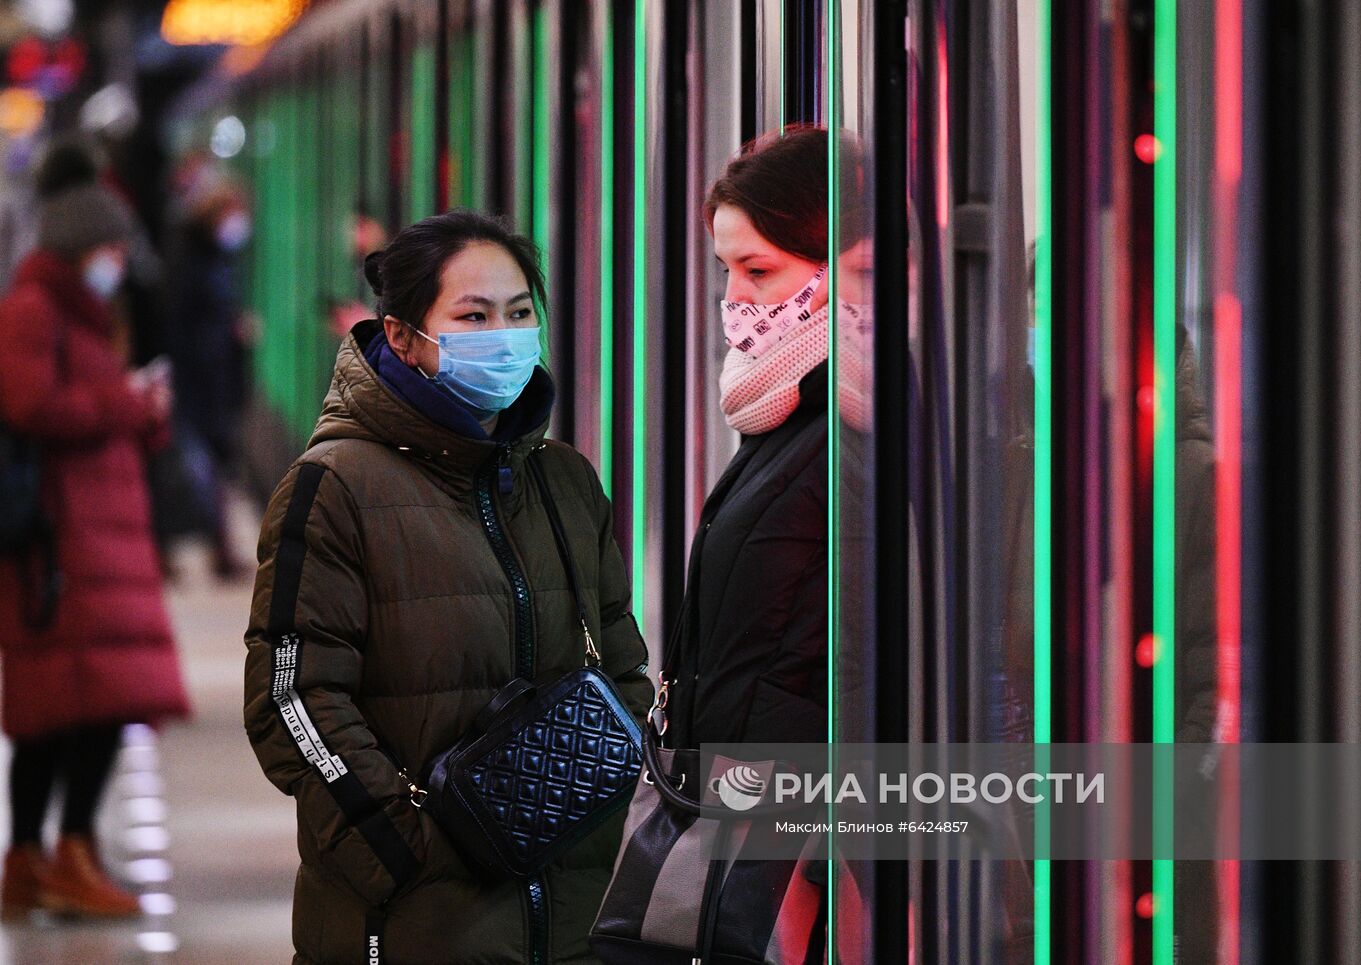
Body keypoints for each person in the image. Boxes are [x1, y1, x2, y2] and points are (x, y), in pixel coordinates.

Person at [243, 210, 651, 963]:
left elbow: (624, 671)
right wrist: (405, 854)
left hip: (574, 923)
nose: (504, 335)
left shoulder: (564, 481)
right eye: (473, 316)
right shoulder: (332, 488)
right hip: (412, 926)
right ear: (402, 336)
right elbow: (292, 701)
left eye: (520, 313)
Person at [0, 140, 190, 920]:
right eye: (110, 246)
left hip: (97, 536)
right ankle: (57, 855)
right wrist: (126, 404)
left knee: (84, 706)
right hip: (62, 545)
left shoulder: (80, 314)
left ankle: (44, 860)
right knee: (72, 708)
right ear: (80, 245)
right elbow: (29, 406)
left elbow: (89, 408)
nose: (118, 260)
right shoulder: (32, 310)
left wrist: (142, 414)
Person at [660, 126, 870, 751]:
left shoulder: (852, 419)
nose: (734, 298)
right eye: (726, 269)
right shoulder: (787, 401)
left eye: (757, 270)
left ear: (847, 265)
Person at [166, 169, 254, 577]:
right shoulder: (192, 259)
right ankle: (205, 547)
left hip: (212, 377)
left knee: (209, 466)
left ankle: (213, 548)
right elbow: (184, 322)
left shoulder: (211, 256)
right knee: (200, 467)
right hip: (198, 380)